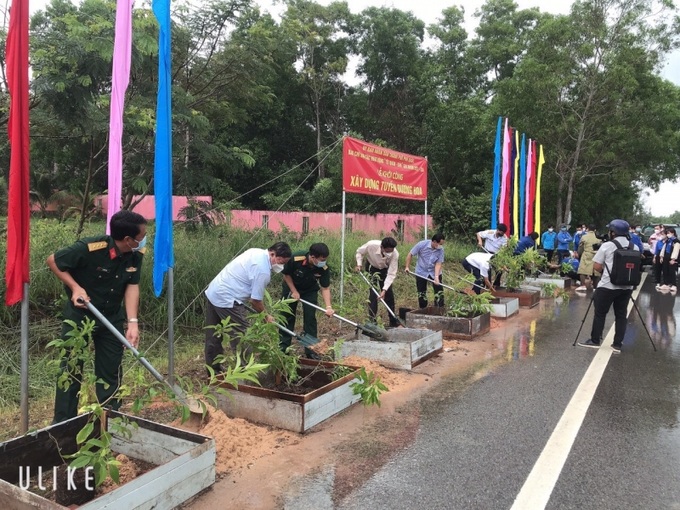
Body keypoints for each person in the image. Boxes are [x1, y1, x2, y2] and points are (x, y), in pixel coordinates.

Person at [47, 210, 148, 423]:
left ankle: (108, 423)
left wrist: (132, 322)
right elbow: (53, 261)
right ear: (128, 239)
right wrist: (75, 288)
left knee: (111, 371)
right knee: (71, 370)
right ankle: (63, 426)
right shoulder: (91, 248)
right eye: (141, 236)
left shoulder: (135, 254)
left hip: (111, 318)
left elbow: (132, 285)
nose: (144, 239)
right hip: (80, 317)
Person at [204, 242, 292, 373]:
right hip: (228, 299)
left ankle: (213, 372)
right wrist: (266, 316)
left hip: (214, 291)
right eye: (280, 261)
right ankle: (247, 373)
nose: (281, 265)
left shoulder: (255, 251)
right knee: (242, 336)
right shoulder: (262, 270)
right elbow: (255, 301)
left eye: (284, 263)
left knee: (214, 335)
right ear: (272, 254)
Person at [578, 219, 639, 353]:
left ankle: (595, 340)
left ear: (613, 232)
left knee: (600, 313)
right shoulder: (634, 247)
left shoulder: (607, 246)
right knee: (621, 315)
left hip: (607, 286)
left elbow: (597, 266)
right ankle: (617, 344)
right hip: (626, 288)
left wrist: (606, 272)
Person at [280, 243, 335, 358]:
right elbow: (286, 275)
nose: (323, 262)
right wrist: (294, 291)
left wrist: (328, 307)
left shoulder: (324, 268)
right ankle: (283, 349)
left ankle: (310, 350)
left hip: (310, 291)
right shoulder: (296, 258)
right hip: (291, 288)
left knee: (310, 318)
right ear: (312, 257)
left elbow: (325, 288)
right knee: (287, 317)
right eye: (321, 259)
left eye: (325, 259)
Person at [355, 237, 401, 327]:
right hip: (371, 268)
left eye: (391, 251)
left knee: (389, 294)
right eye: (387, 251)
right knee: (373, 295)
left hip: (385, 270)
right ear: (382, 247)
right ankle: (372, 321)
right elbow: (359, 252)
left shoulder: (395, 254)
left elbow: (391, 274)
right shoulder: (371, 245)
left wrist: (384, 290)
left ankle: (393, 320)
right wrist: (359, 264)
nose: (389, 253)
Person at [404, 233, 446, 309]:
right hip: (421, 271)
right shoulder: (422, 245)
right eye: (439, 244)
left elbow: (438, 263)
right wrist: (407, 267)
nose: (440, 246)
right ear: (434, 241)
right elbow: (410, 254)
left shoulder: (441, 250)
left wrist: (436, 277)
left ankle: (439, 308)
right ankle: (423, 308)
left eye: (441, 244)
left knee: (439, 290)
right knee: (421, 291)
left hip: (434, 271)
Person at [575, 224, 601, 292]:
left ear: (588, 229)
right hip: (596, 255)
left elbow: (580, 247)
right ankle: (595, 287)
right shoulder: (598, 237)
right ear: (595, 230)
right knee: (596, 271)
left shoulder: (584, 237)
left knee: (582, 270)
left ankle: (583, 285)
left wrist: (579, 253)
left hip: (586, 254)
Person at [657, 227, 679, 292]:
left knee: (672, 272)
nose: (668, 234)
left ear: (673, 233)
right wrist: (661, 256)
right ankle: (666, 284)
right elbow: (664, 248)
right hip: (665, 258)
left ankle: (674, 285)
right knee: (665, 271)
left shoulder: (676, 241)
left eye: (669, 233)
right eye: (667, 233)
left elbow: (676, 250)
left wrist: (673, 259)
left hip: (672, 259)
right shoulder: (668, 240)